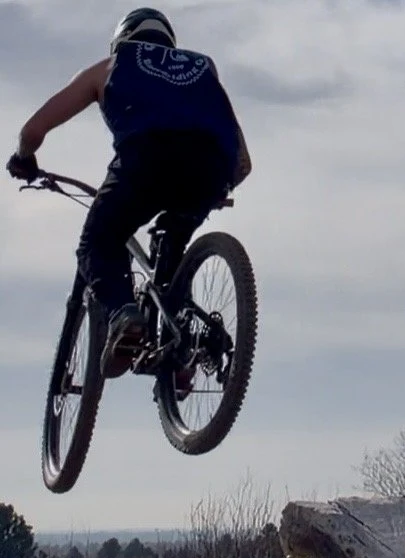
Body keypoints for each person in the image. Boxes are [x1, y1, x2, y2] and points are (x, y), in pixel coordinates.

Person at [6, 8, 252, 377]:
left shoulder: (109, 67)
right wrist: (215, 189)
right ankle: (179, 351)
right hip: (211, 166)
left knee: (98, 243)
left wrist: (24, 158)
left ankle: (123, 314)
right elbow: (243, 163)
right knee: (172, 241)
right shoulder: (204, 67)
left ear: (121, 40)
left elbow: (33, 131)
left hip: (147, 159)